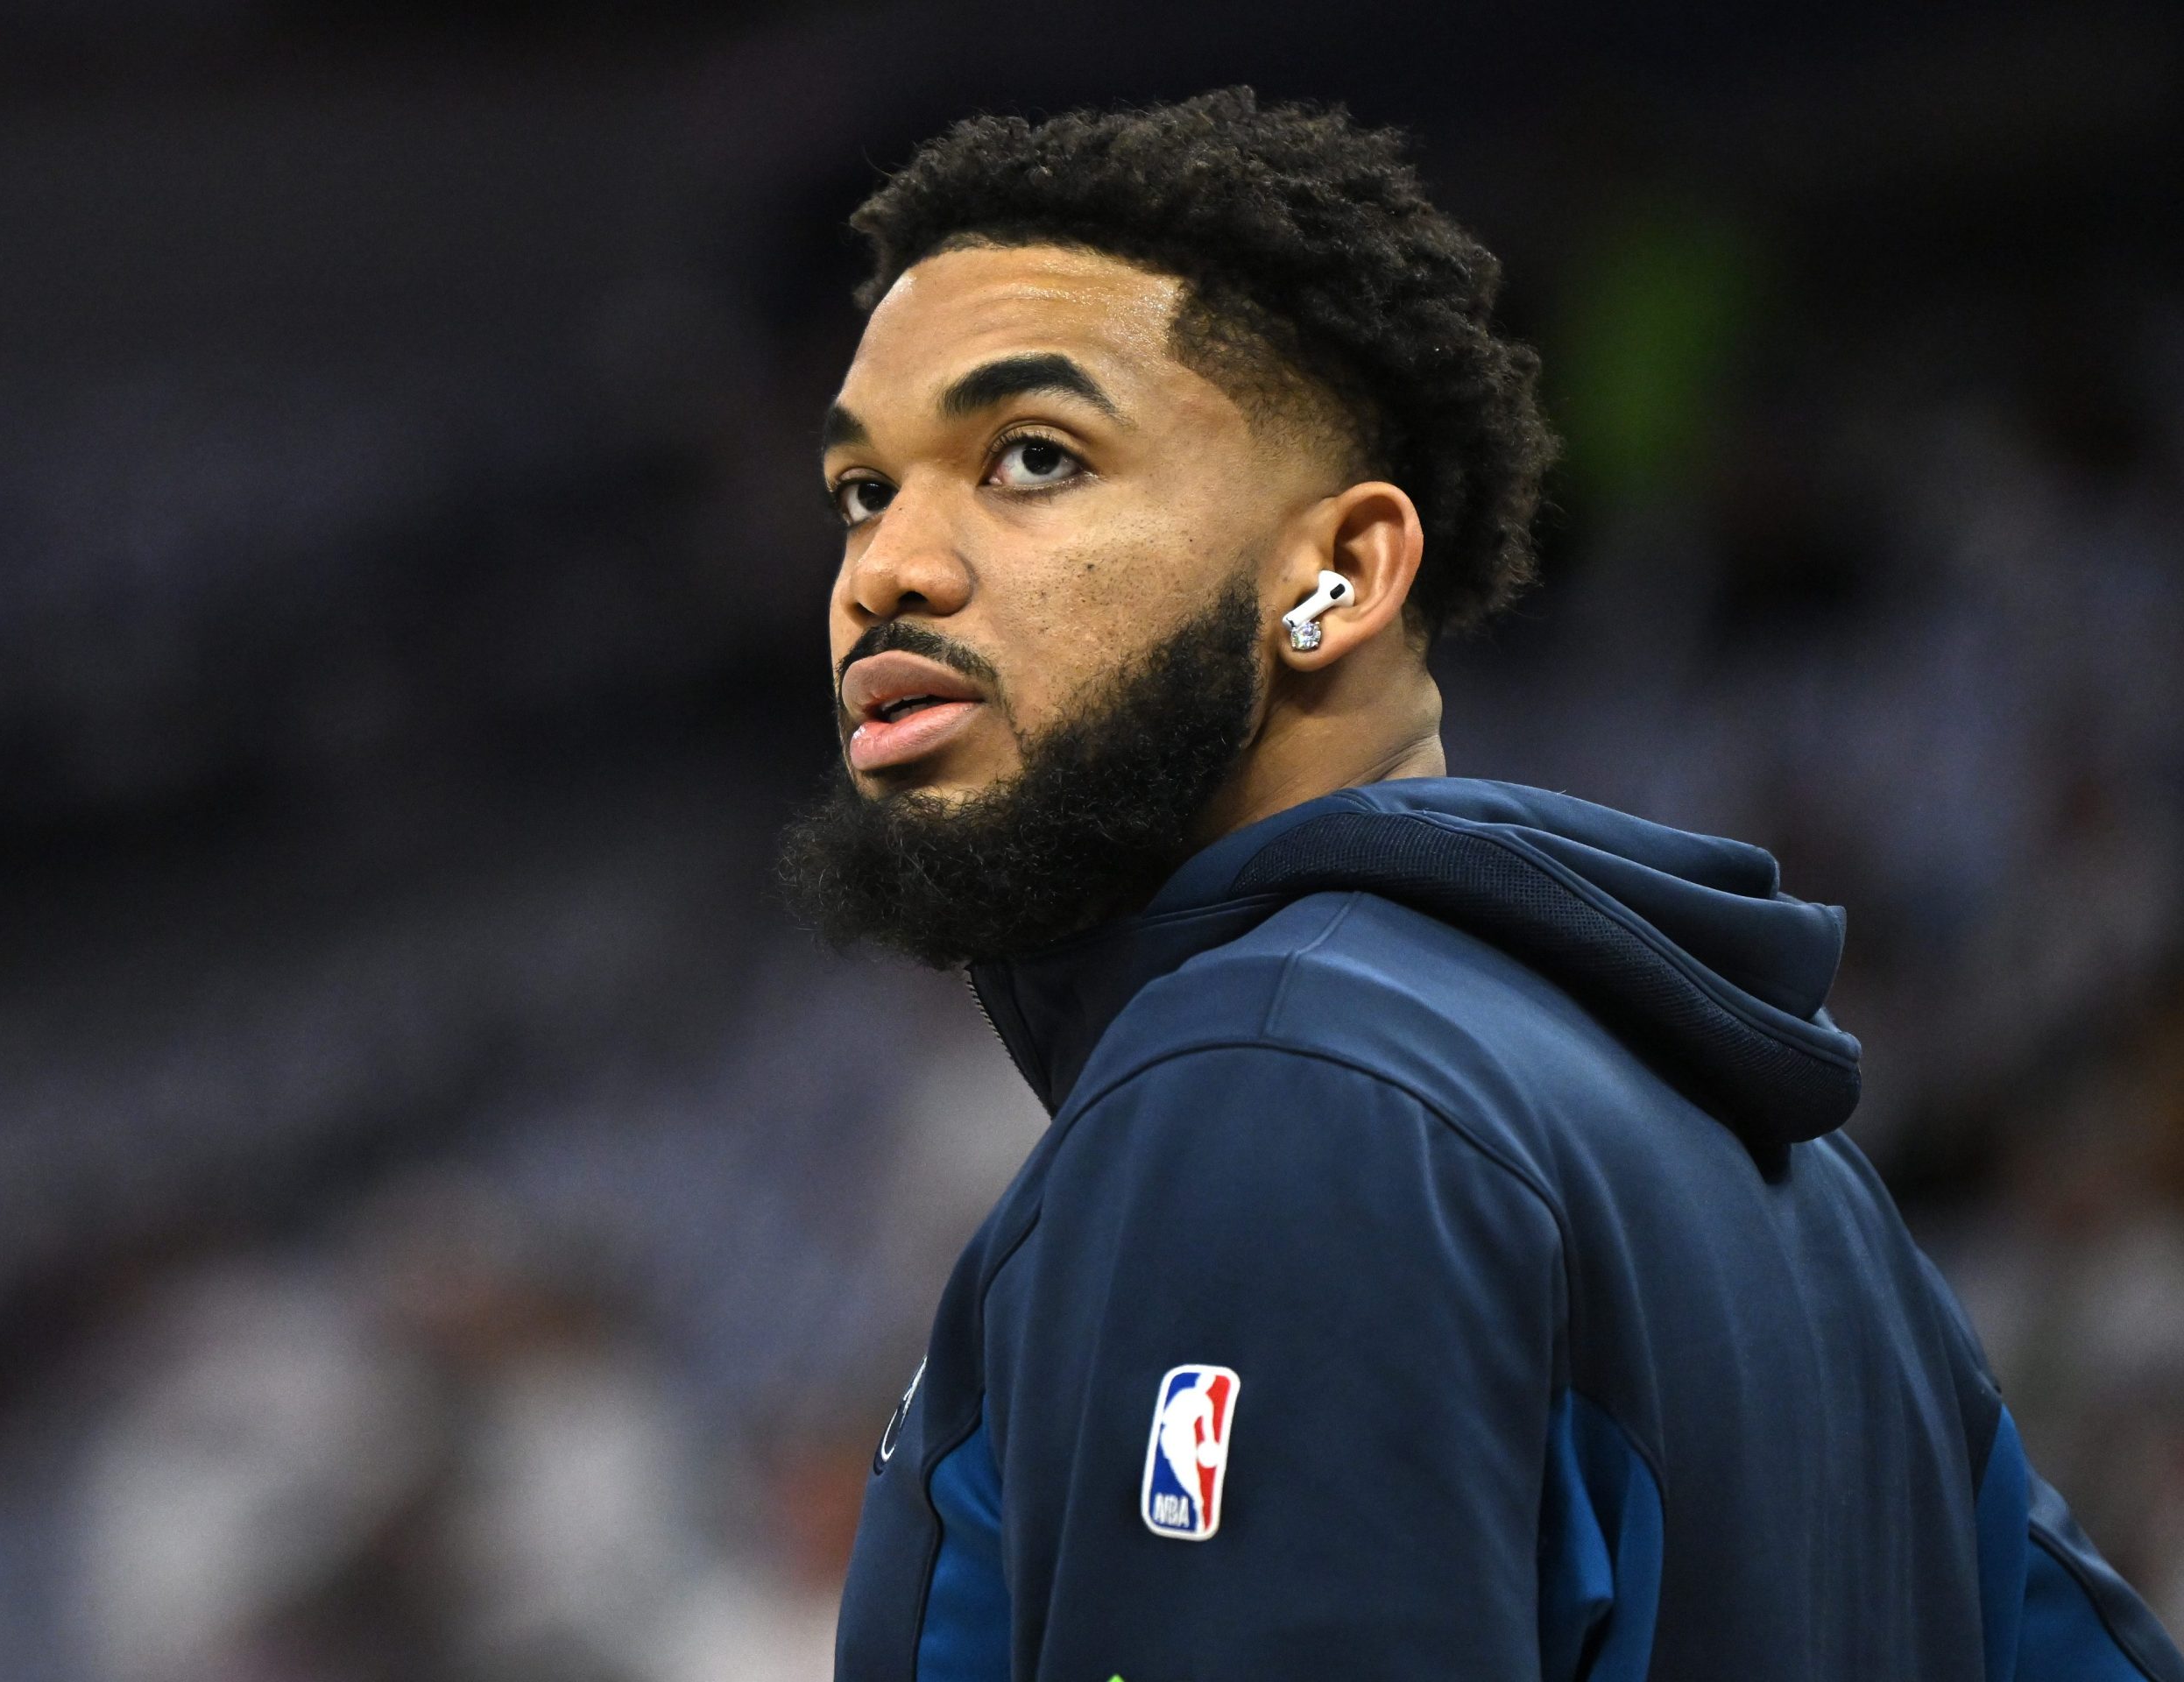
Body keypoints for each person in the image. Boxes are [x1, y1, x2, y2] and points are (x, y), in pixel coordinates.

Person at [775, 89, 2184, 1682]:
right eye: (861, 492)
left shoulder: (1273, 1089)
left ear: (1340, 577)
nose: (884, 567)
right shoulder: (1779, 1168)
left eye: (1032, 456)